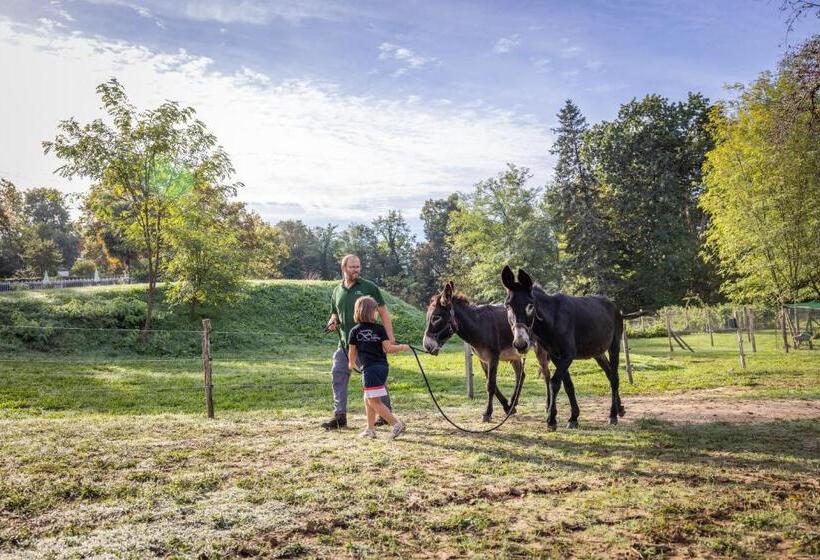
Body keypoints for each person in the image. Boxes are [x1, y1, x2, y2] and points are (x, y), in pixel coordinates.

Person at [322, 254, 396, 430]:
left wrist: (390, 338)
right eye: (352, 267)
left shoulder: (369, 287)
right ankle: (340, 417)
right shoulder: (337, 291)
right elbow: (335, 313)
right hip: (346, 344)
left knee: (375, 378)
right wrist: (333, 321)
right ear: (343, 268)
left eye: (358, 266)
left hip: (368, 343)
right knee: (338, 374)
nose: (356, 270)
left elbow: (383, 313)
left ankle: (385, 415)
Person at [347, 296, 409, 439]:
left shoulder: (354, 331)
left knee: (373, 401)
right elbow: (388, 348)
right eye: (376, 310)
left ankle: (396, 424)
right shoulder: (380, 329)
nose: (377, 313)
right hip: (382, 368)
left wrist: (351, 363)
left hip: (370, 370)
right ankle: (370, 429)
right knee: (367, 397)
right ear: (370, 311)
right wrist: (402, 347)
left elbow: (352, 351)